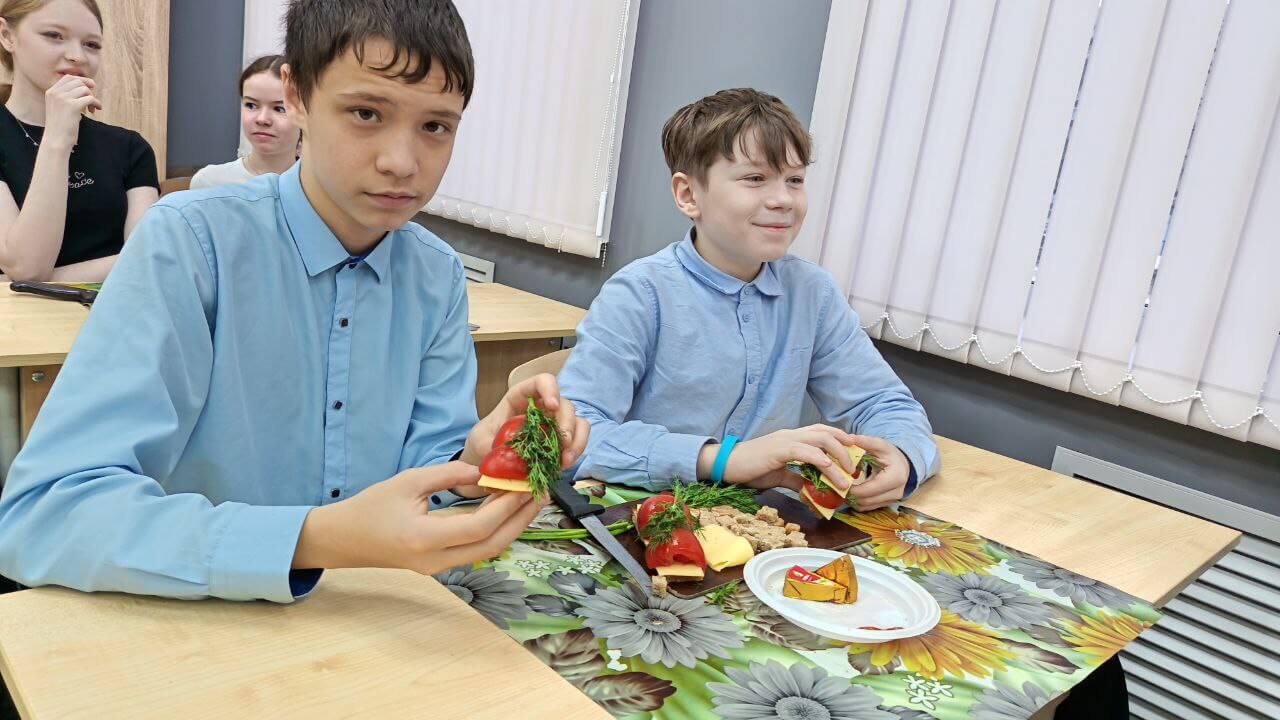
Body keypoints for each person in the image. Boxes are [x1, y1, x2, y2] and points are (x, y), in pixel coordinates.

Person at [0, 0, 588, 602]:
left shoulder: (436, 274)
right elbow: (43, 515)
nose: (401, 163)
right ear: (297, 94)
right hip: (198, 620)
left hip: (374, 617)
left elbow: (424, 475)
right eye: (366, 113)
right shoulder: (193, 241)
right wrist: (314, 539)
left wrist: (471, 464)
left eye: (436, 126)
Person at [558, 88, 940, 510]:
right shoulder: (638, 294)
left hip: (765, 524)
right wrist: (724, 459)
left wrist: (903, 457)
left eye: (795, 180)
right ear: (688, 195)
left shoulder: (812, 293)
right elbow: (572, 438)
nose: (783, 199)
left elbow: (882, 402)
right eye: (755, 178)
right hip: (647, 517)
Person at [0, 0, 157, 281]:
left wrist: (17, 283)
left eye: (91, 44)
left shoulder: (131, 148)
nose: (78, 56)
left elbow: (145, 262)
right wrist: (57, 137)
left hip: (108, 308)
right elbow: (27, 266)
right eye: (54, 35)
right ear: (6, 36)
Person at [190, 54, 300, 190]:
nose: (262, 119)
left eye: (279, 108)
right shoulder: (209, 182)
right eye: (251, 105)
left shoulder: (318, 190)